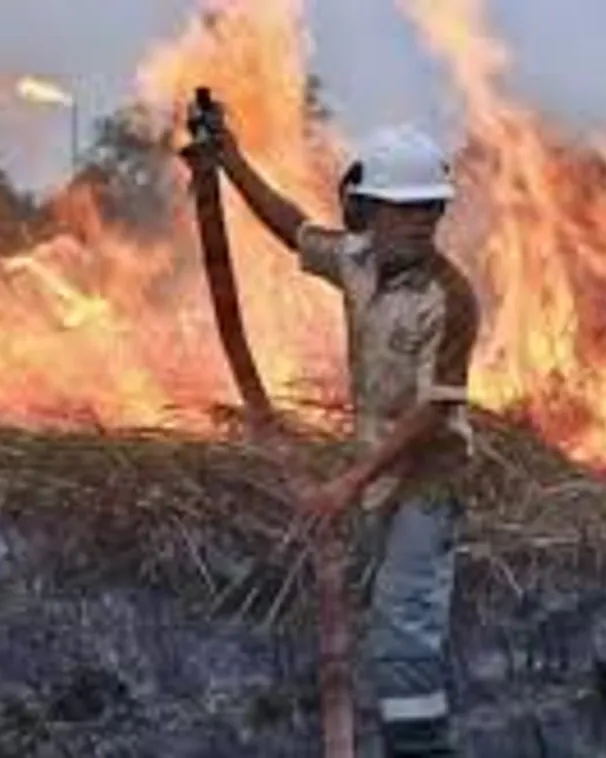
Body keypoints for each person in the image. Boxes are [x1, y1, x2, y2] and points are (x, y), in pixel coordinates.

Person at [206, 114, 480, 757]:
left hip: (427, 478)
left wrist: (347, 483)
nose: (422, 222)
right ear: (367, 211)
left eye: (431, 210)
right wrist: (230, 161)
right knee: (382, 619)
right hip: (374, 476)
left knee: (405, 622)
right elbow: (290, 227)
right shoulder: (356, 261)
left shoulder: (450, 297)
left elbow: (432, 414)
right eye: (406, 210)